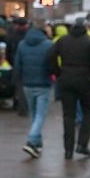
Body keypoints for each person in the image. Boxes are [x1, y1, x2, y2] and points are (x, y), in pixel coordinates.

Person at [48, 18, 90, 159]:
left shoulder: (63, 41)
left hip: (66, 80)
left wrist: (58, 72)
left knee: (68, 115)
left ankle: (68, 150)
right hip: (84, 81)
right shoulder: (89, 42)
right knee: (88, 113)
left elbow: (50, 56)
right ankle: (82, 145)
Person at [12, 22, 53, 158]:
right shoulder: (48, 45)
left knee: (34, 114)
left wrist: (18, 80)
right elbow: (51, 65)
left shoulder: (22, 44)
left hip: (27, 83)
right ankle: (31, 141)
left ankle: (37, 144)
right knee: (40, 115)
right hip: (43, 84)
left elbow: (17, 64)